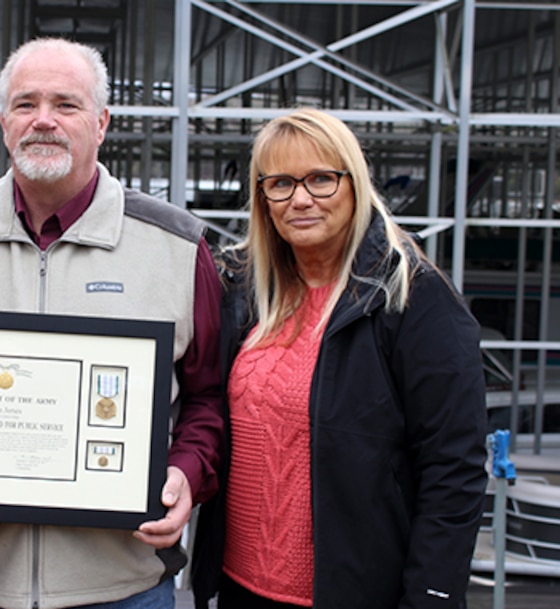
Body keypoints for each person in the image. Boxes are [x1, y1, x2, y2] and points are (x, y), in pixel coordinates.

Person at [0, 37, 223, 609]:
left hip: (122, 587)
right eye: (26, 104)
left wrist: (187, 472)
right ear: (4, 122)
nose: (44, 120)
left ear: (101, 123)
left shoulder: (177, 247)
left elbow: (209, 395)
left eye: (66, 104)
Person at [190, 108, 487, 608]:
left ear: (355, 183)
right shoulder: (243, 289)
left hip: (356, 592)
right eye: (280, 183)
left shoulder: (411, 297)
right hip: (241, 588)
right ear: (262, 197)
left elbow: (453, 468)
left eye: (321, 179)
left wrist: (431, 596)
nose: (300, 199)